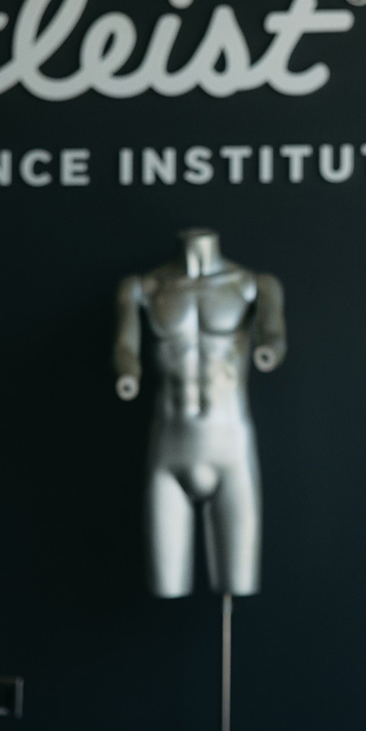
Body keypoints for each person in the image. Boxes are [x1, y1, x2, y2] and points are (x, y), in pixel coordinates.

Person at [114, 228, 287, 598]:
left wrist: (268, 351)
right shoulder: (143, 288)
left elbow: (273, 332)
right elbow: (124, 346)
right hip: (169, 444)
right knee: (165, 585)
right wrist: (128, 373)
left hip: (230, 447)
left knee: (238, 583)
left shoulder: (253, 285)